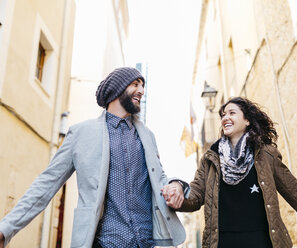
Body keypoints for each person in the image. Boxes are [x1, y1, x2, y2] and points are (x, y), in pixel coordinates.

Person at [0, 67, 189, 248]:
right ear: (118, 89)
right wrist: (5, 229)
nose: (141, 91)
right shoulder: (81, 134)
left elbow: (159, 180)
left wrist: (177, 185)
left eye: (142, 86)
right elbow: (46, 184)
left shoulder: (148, 136)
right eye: (135, 84)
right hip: (103, 243)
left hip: (146, 243)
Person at [163, 97, 297, 248]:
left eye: (232, 113)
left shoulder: (266, 155)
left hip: (263, 242)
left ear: (247, 121)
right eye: (223, 114)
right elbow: (195, 196)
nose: (225, 117)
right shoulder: (211, 159)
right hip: (223, 243)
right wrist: (178, 194)